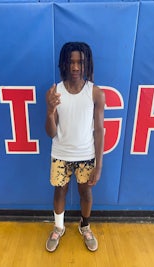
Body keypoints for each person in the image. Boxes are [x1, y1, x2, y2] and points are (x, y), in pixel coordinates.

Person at [45, 42, 105, 252]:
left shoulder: (95, 93)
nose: (75, 67)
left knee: (85, 193)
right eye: (71, 62)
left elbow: (99, 131)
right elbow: (51, 132)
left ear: (87, 63)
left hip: (86, 155)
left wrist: (98, 165)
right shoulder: (56, 92)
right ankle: (58, 227)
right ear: (64, 64)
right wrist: (50, 110)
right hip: (60, 154)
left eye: (80, 62)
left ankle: (85, 226)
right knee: (59, 191)